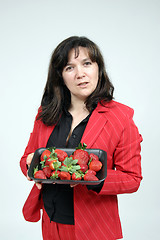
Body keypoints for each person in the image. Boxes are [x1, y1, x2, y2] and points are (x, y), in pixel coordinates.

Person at [20, 36, 143, 240]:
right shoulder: (46, 113)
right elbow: (28, 158)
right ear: (60, 75)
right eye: (69, 67)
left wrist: (89, 177)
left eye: (87, 63)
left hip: (94, 227)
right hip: (50, 222)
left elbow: (132, 178)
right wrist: (29, 164)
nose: (80, 74)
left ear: (98, 68)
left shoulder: (121, 118)